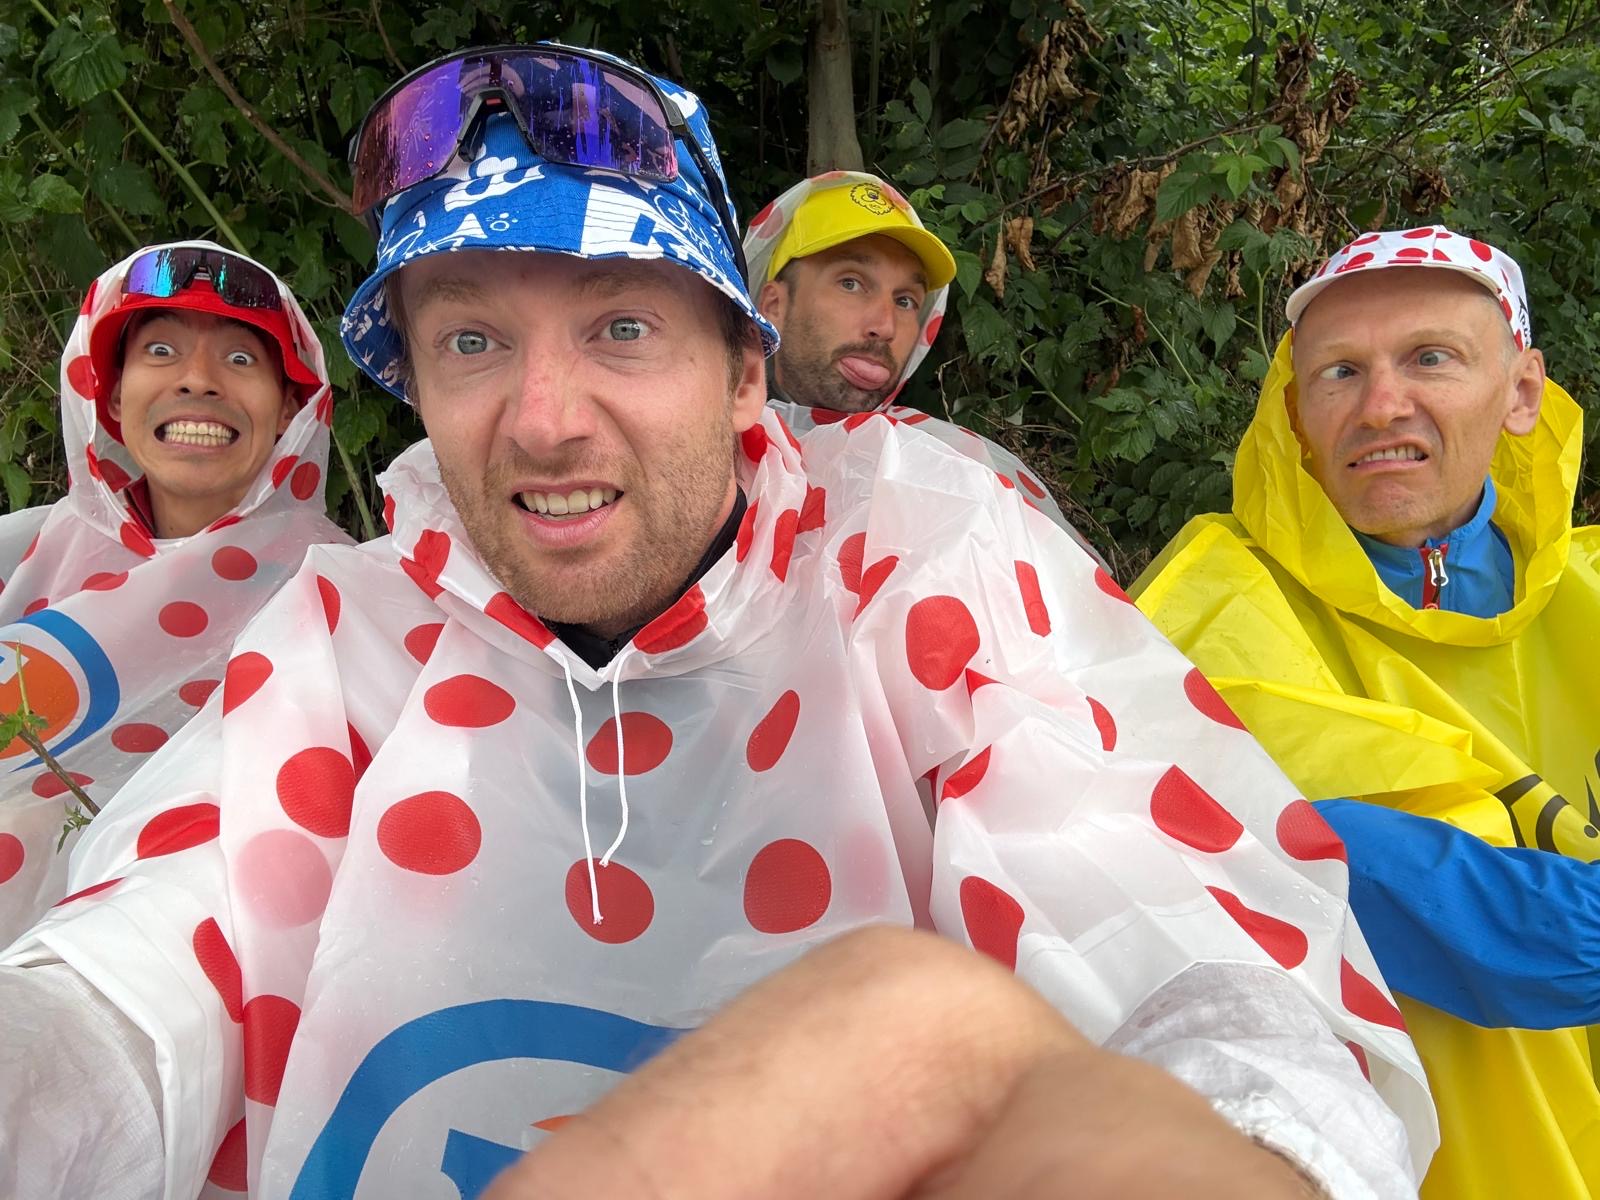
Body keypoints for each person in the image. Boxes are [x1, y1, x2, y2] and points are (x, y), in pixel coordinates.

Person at [0, 46, 1431, 1199]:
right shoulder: (350, 631)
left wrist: (1239, 1140)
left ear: (748, 375)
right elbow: (152, 958)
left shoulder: (919, 554)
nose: (545, 423)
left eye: (622, 326)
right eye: (474, 341)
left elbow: (1169, 911)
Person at [1132, 226, 1600, 1198]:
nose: (1381, 405)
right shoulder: (1212, 602)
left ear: (1521, 393)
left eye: (1430, 357)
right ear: (1294, 413)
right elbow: (1302, 848)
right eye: (1339, 372)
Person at [0, 242, 350, 944]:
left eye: (241, 359)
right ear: (112, 392)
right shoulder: (24, 557)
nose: (198, 380)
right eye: (160, 352)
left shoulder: (342, 591)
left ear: (290, 409)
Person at [744, 172, 1110, 567]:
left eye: (905, 301)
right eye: (851, 283)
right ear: (774, 306)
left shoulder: (956, 466)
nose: (884, 326)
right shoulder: (700, 453)